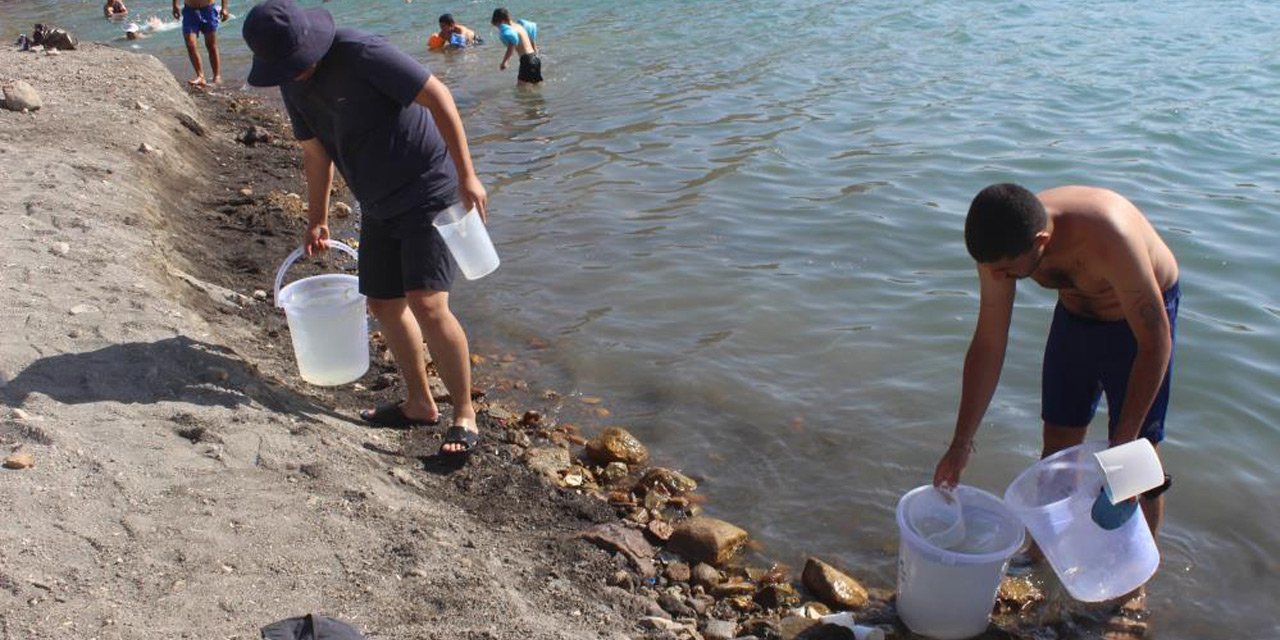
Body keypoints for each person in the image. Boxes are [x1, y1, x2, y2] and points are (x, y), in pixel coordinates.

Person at [243, 0, 488, 455]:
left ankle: (464, 415)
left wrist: (468, 176)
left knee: (428, 303)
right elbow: (316, 154)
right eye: (283, 66)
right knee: (382, 301)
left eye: (297, 62)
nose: (293, 72)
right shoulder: (290, 81)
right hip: (376, 200)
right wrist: (316, 217)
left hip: (426, 188)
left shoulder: (362, 52)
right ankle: (419, 403)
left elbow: (439, 97)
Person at [934, 184, 1180, 567]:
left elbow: (1156, 343)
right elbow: (988, 343)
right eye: (991, 268)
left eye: (1006, 269)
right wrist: (961, 441)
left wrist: (1123, 440)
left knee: (1135, 458)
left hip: (1139, 330)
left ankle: (1135, 586)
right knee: (1057, 446)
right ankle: (1043, 555)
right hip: (1076, 318)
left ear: (1041, 241)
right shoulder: (1000, 245)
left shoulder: (1110, 235)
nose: (998, 276)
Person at [173, 0, 230, 86]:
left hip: (208, 10)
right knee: (190, 43)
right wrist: (175, 5)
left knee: (211, 45)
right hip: (190, 11)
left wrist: (225, 8)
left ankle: (216, 76)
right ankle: (200, 76)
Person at [490, 7, 540, 84]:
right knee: (536, 84)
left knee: (521, 88)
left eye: (498, 25)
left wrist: (504, 62)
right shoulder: (520, 26)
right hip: (535, 59)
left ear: (502, 21)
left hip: (526, 60)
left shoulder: (511, 30)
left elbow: (511, 48)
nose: (499, 28)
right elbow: (532, 41)